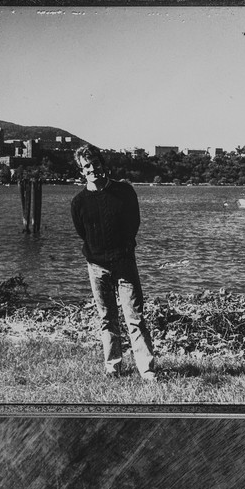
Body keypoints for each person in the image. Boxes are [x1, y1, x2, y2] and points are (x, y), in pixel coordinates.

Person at [70, 144, 157, 381]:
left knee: (135, 318)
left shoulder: (125, 192)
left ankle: (147, 370)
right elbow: (83, 232)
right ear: (81, 171)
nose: (92, 169)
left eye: (95, 163)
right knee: (106, 318)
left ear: (103, 164)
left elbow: (133, 224)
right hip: (96, 267)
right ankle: (113, 367)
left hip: (124, 263)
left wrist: (123, 249)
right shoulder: (78, 202)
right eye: (86, 166)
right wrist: (98, 254)